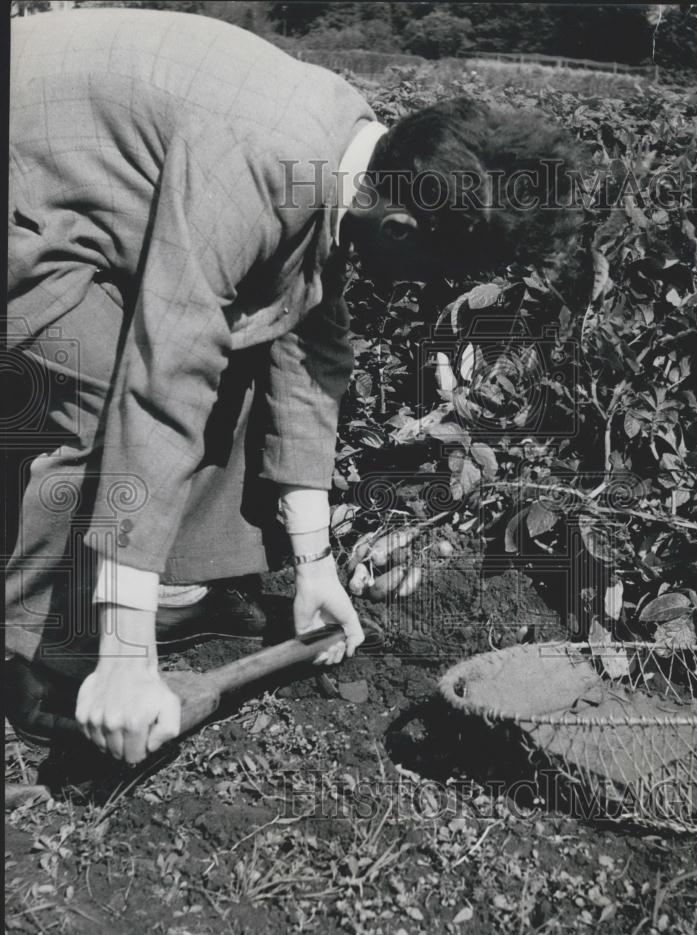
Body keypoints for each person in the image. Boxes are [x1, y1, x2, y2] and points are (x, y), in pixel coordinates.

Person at [5, 7, 585, 765]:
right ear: (403, 228)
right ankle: (38, 655)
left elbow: (310, 347)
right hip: (27, 189)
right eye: (434, 274)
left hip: (74, 159)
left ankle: (162, 591)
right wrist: (124, 658)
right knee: (108, 394)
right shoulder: (259, 166)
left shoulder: (354, 152)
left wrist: (315, 567)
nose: (421, 290)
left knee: (244, 342)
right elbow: (157, 389)